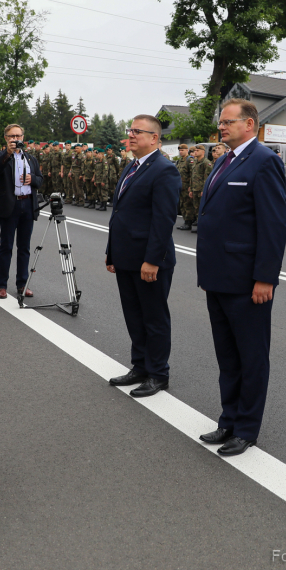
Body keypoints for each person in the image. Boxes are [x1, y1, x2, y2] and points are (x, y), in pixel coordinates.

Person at [196, 98, 286, 457]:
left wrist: (265, 278)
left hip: (247, 280)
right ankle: (228, 420)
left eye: (228, 122)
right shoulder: (223, 160)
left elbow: (274, 224)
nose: (222, 127)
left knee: (251, 356)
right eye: (221, 122)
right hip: (218, 276)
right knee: (227, 356)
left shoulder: (264, 162)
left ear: (250, 125)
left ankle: (246, 429)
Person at [105, 115, 182, 398]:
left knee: (154, 317)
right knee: (134, 315)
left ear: (154, 138)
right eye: (130, 130)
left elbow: (163, 221)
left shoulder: (164, 170)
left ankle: (158, 374)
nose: (131, 135)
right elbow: (120, 215)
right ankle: (140, 366)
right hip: (126, 257)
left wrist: (152, 260)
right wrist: (111, 252)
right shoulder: (132, 167)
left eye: (138, 131)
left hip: (149, 260)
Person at [0, 124, 43, 300]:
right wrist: (7, 154)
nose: (15, 139)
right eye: (12, 136)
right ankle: (2, 286)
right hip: (9, 206)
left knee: (24, 248)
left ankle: (22, 284)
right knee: (6, 246)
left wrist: (32, 179)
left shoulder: (31, 159)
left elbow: (40, 180)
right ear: (6, 138)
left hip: (27, 205)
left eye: (18, 136)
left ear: (23, 137)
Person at [189, 144, 213, 232]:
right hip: (195, 189)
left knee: (202, 209)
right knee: (196, 208)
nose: (195, 152)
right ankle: (199, 225)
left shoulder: (206, 163)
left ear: (203, 152)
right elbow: (193, 176)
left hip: (201, 190)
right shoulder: (195, 162)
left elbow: (207, 178)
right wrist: (191, 188)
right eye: (195, 150)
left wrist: (204, 190)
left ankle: (203, 227)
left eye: (197, 150)